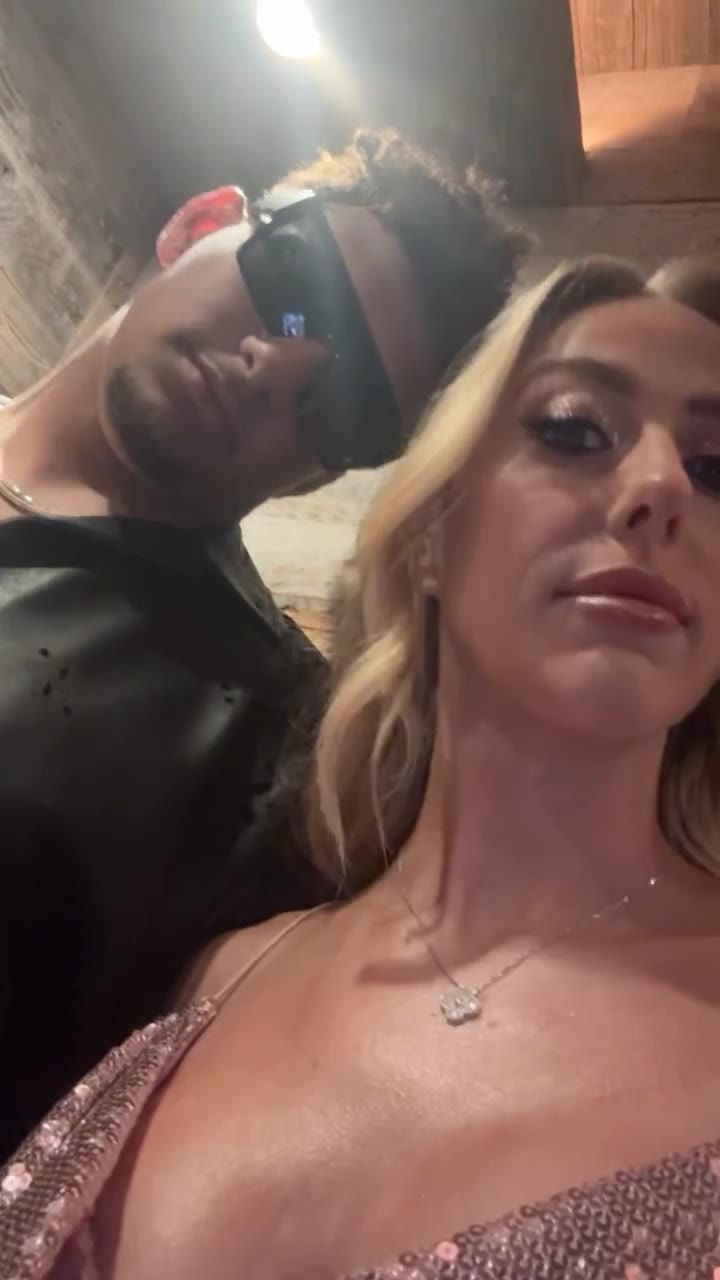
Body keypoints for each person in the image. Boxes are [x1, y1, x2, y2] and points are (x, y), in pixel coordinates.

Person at [6, 252, 720, 1279]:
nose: (661, 486)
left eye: (718, 468)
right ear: (431, 531)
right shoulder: (225, 972)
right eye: (573, 428)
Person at [0, 128, 526, 1159]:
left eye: (343, 405)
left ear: (324, 472)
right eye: (296, 292)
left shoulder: (263, 747)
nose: (275, 369)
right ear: (199, 222)